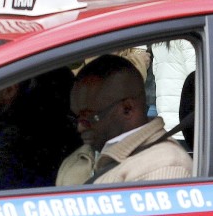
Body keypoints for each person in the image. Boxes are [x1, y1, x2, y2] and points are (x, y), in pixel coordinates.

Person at [56, 54, 192, 186]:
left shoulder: (164, 168)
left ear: (127, 109)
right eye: (77, 117)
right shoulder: (79, 159)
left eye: (89, 117)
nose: (80, 127)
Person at [147, 0, 198, 135]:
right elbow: (197, 78)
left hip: (166, 122)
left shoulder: (160, 36)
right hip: (186, 120)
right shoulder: (188, 37)